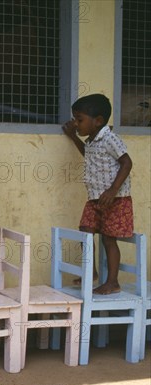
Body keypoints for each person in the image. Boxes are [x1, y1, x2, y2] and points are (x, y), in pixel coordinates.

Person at [62, 93, 133, 294]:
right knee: (85, 230)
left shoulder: (110, 138)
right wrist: (73, 137)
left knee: (109, 239)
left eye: (80, 120)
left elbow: (127, 163)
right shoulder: (92, 140)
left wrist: (113, 190)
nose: (76, 123)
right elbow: (89, 155)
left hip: (115, 199)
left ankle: (113, 282)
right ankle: (90, 272)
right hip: (95, 198)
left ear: (98, 121)